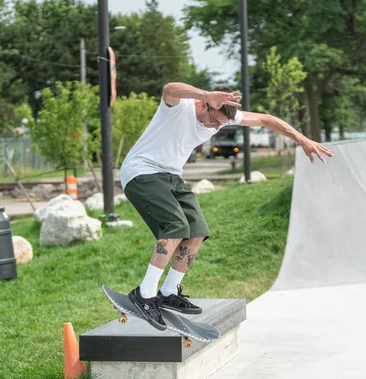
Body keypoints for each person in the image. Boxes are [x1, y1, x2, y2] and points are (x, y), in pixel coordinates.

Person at [120, 82, 333, 330]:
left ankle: (169, 292)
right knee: (175, 227)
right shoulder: (179, 107)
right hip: (142, 172)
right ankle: (144, 296)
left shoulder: (220, 115)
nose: (215, 128)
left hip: (171, 176)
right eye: (213, 121)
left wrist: (302, 138)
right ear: (203, 104)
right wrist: (206, 94)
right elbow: (168, 88)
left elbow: (265, 119)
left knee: (197, 230)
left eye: (220, 124)